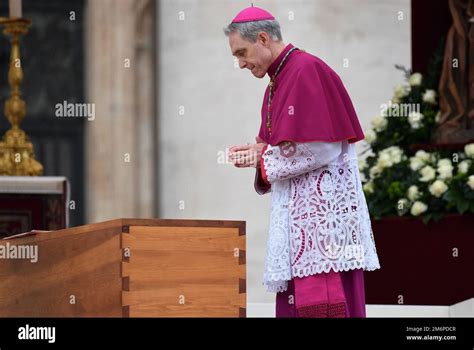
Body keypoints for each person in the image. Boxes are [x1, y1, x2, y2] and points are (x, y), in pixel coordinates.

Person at [224, 5, 380, 318]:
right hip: (301, 227)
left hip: (325, 229)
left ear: (264, 39)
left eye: (242, 53)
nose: (240, 64)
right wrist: (259, 155)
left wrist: (263, 156)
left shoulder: (306, 70)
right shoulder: (277, 81)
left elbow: (322, 149)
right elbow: (283, 146)